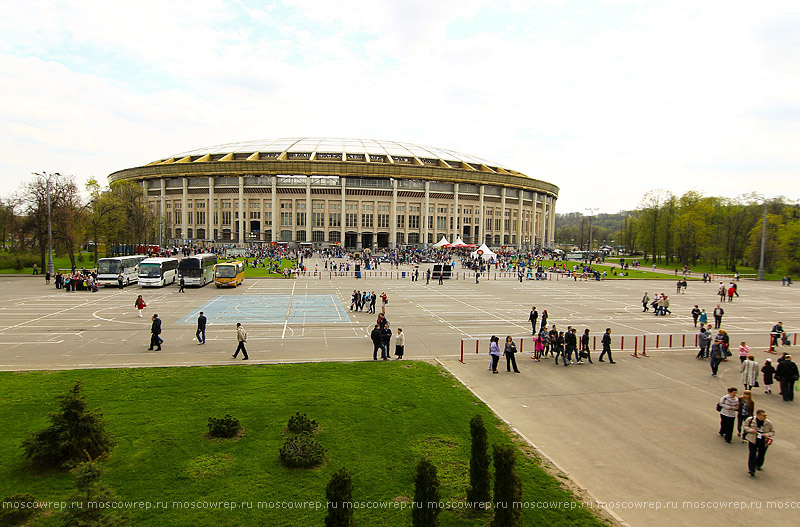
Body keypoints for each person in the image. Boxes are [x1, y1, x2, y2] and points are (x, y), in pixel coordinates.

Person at [743, 410, 775, 476]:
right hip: (753, 440)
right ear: (758, 415)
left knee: (761, 454)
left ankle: (758, 464)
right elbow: (745, 426)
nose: (765, 416)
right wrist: (751, 430)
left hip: (763, 441)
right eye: (763, 415)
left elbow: (772, 432)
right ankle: (751, 469)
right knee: (752, 454)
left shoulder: (768, 423)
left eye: (765, 415)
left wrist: (767, 434)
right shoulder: (751, 420)